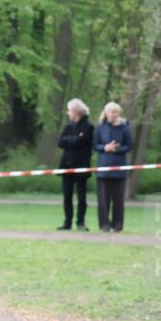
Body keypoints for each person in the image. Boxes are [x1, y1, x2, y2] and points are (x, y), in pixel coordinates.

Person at [93, 102, 133, 233]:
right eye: (112, 112)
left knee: (118, 199)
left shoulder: (125, 128)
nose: (115, 115)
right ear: (106, 113)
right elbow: (95, 145)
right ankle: (104, 224)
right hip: (103, 168)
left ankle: (118, 225)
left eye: (116, 112)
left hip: (119, 168)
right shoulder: (100, 128)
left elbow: (129, 145)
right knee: (103, 200)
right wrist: (105, 148)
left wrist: (117, 149)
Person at [56, 98, 93, 232]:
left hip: (81, 165)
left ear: (76, 112)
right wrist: (73, 139)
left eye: (69, 110)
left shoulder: (88, 126)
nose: (68, 113)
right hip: (67, 165)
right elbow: (60, 142)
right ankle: (67, 222)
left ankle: (81, 222)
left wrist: (70, 140)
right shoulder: (68, 126)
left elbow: (81, 141)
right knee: (67, 195)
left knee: (81, 197)